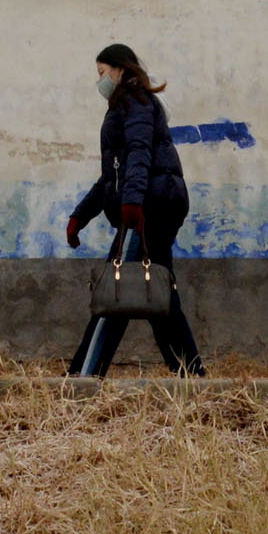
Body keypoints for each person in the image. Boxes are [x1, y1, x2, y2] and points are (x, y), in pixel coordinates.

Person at [62, 42, 208, 377]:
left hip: (149, 207)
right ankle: (191, 377)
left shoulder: (135, 101)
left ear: (120, 69)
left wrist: (132, 203)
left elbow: (140, 153)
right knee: (156, 296)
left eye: (101, 73)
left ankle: (82, 378)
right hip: (152, 204)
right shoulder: (126, 103)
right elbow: (113, 176)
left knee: (115, 293)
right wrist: (80, 216)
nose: (99, 81)